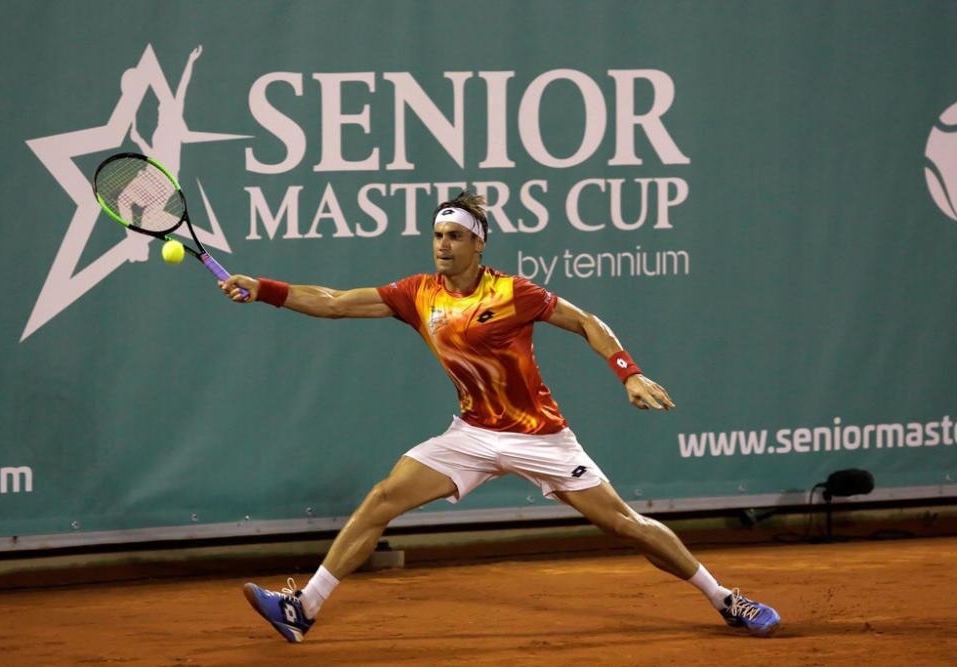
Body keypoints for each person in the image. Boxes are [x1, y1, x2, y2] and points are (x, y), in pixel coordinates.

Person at [219, 191, 781, 642]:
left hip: (540, 436)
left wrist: (628, 372)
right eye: (437, 234)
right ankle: (304, 608)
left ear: (478, 244)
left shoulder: (515, 293)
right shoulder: (418, 294)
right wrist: (265, 288)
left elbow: (588, 321)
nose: (442, 245)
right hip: (470, 435)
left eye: (454, 236)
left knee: (624, 525)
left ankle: (725, 598)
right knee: (383, 498)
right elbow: (336, 302)